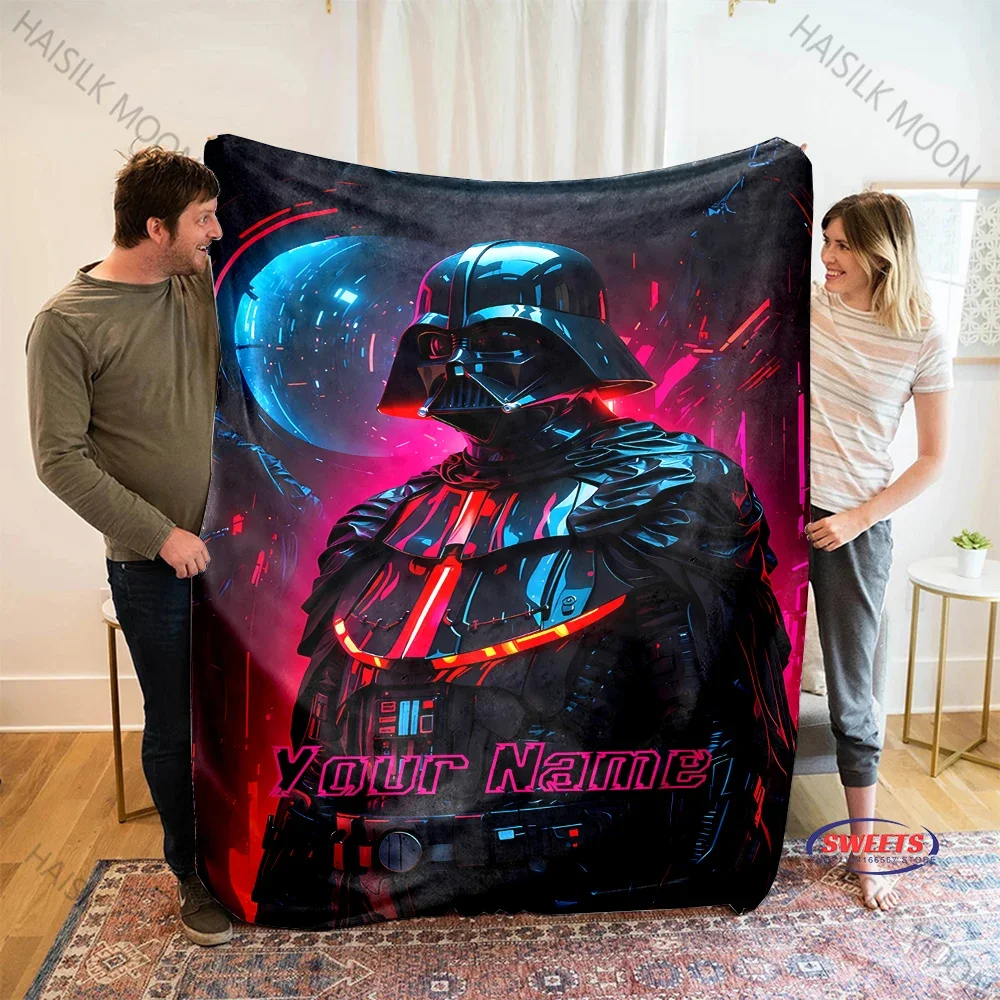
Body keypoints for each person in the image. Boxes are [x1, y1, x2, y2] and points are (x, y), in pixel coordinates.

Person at [25, 147, 233, 945]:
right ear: (155, 228)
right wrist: (160, 534)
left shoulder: (198, 284)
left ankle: (256, 853)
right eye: (201, 220)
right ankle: (192, 876)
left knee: (253, 708)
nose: (215, 232)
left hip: (241, 551)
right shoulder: (68, 323)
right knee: (176, 726)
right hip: (153, 566)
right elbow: (59, 459)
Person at [805, 190, 952, 911]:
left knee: (852, 693)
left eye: (841, 245)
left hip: (854, 525)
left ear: (880, 252)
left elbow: (932, 460)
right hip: (771, 509)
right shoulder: (808, 306)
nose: (827, 257)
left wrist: (857, 518)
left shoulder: (922, 333)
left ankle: (863, 851)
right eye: (825, 241)